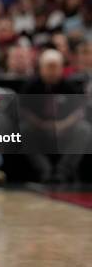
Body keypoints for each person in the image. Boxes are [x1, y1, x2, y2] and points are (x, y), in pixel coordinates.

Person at [21, 49, 91, 183]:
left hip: (64, 129)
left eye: (56, 67)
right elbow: (23, 111)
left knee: (84, 129)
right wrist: (41, 124)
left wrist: (63, 125)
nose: (52, 71)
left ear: (61, 68)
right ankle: (44, 170)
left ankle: (63, 171)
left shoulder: (69, 86)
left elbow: (79, 111)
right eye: (49, 67)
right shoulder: (31, 86)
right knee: (21, 130)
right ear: (41, 68)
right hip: (38, 128)